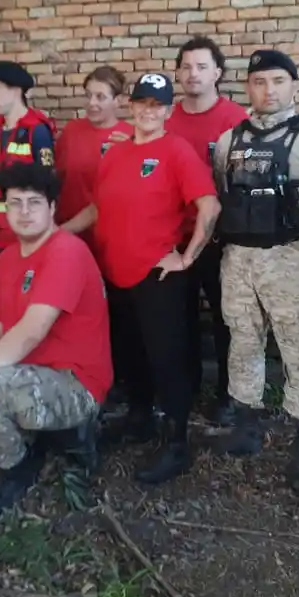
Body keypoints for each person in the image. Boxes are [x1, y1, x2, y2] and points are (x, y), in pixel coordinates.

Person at [212, 50, 299, 494]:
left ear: (293, 84)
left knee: (297, 347)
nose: (268, 90)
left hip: (290, 258)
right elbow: (223, 192)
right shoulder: (228, 140)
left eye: (277, 80)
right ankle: (247, 422)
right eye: (258, 81)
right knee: (243, 340)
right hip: (240, 259)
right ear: (247, 88)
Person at [68, 73, 221, 484]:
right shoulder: (114, 154)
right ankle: (139, 420)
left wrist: (188, 258)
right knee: (130, 353)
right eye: (142, 103)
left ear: (168, 111)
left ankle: (177, 444)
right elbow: (98, 209)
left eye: (157, 105)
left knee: (167, 361)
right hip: (115, 272)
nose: (149, 111)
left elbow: (209, 205)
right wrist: (58, 232)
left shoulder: (177, 151)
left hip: (157, 276)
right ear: (130, 106)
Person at [0, 162, 111, 521]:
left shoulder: (66, 250)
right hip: (28, 375)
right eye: (15, 203)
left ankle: (18, 466)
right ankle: (34, 437)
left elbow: (33, 329)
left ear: (52, 209)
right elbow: (0, 328)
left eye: (34, 202)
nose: (24, 211)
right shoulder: (6, 259)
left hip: (75, 383)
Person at [167, 36, 249, 426]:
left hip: (222, 238)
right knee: (179, 319)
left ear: (218, 72)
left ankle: (228, 395)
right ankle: (187, 388)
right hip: (175, 237)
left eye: (201, 66)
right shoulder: (167, 120)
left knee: (225, 318)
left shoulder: (235, 119)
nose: (192, 73)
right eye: (185, 66)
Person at [0, 61, 56, 329]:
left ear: (16, 89)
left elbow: (47, 185)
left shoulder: (37, 131)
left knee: (22, 303)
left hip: (22, 237)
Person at [56, 66, 133, 242]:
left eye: (100, 97)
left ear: (118, 100)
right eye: (88, 95)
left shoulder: (130, 137)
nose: (92, 103)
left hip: (108, 236)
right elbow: (56, 178)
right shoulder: (71, 131)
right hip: (66, 233)